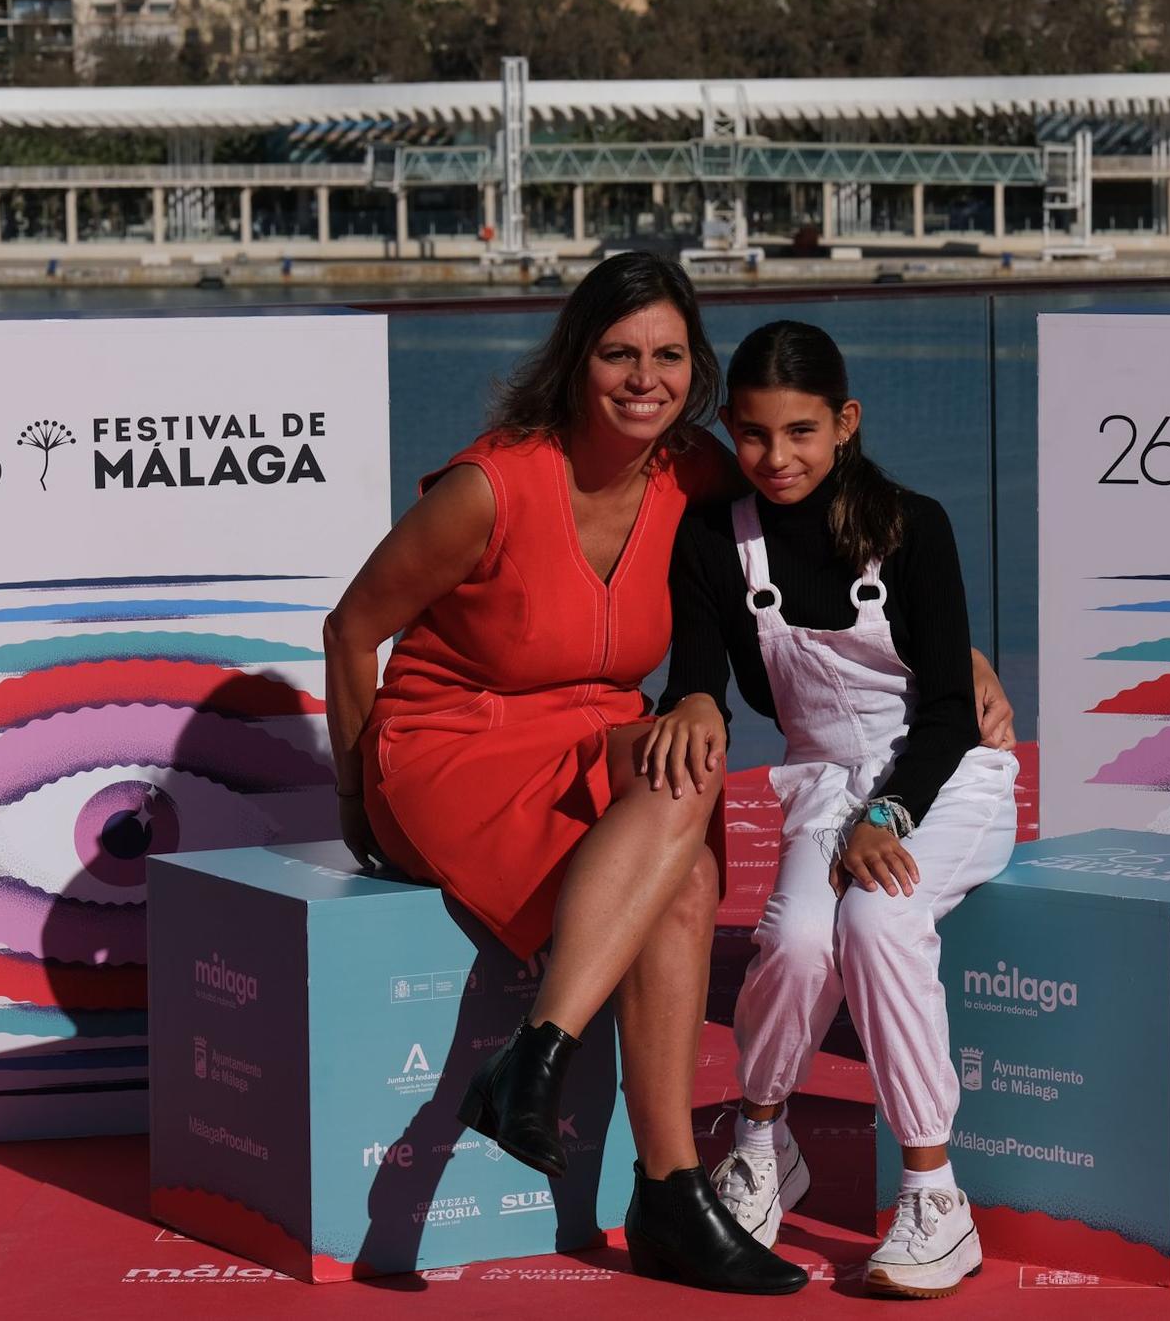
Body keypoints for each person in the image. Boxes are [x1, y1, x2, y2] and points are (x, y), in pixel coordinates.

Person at [324, 255, 1013, 1295]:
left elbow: (828, 509)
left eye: (666, 356)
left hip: (589, 726)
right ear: (575, 360)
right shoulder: (489, 487)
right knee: (690, 792)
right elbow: (351, 629)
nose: (641, 378)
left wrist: (952, 654)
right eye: (617, 354)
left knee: (689, 857)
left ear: (694, 370)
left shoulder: (701, 468)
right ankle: (566, 1073)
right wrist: (355, 801)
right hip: (450, 742)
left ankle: (662, 1184)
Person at [646, 320, 1019, 1300]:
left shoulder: (914, 525)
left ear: (845, 422)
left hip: (944, 780)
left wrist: (888, 814)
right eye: (757, 434)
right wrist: (687, 701)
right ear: (731, 426)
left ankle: (935, 1196)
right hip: (819, 785)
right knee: (800, 943)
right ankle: (764, 1143)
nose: (777, 458)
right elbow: (697, 677)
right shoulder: (709, 542)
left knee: (876, 915)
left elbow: (945, 710)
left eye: (802, 432)